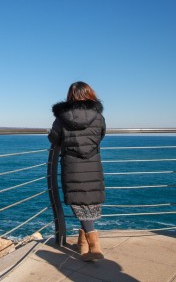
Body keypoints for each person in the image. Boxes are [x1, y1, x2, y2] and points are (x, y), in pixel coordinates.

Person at [48, 81, 106, 262]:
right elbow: (100, 135)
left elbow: (54, 138)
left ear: (70, 96)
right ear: (90, 94)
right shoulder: (98, 117)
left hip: (72, 165)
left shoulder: (62, 117)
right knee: (89, 201)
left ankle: (95, 246)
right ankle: (84, 244)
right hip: (92, 163)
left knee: (79, 203)